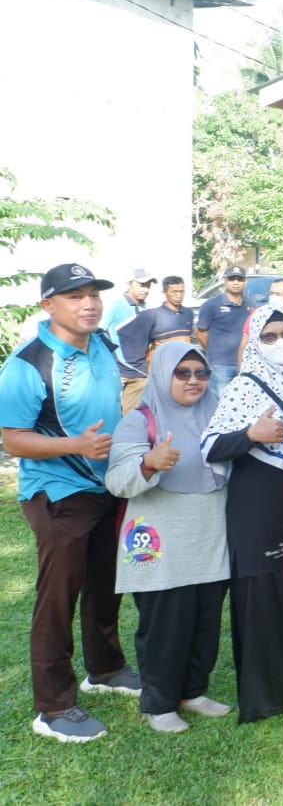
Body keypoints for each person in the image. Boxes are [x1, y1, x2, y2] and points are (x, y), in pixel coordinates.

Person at [0, 264, 141, 742]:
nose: (89, 304)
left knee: (107, 583)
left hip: (107, 486)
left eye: (94, 294)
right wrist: (74, 447)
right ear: (48, 305)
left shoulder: (101, 343)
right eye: (74, 296)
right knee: (58, 598)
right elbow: (14, 440)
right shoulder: (28, 363)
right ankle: (53, 708)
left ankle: (105, 668)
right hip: (58, 492)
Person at [202, 306, 283, 722]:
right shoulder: (243, 386)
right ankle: (268, 692)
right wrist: (250, 434)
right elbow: (211, 446)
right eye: (269, 336)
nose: (280, 343)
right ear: (255, 342)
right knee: (262, 589)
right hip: (258, 502)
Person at [105, 344, 231, 733]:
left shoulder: (219, 411)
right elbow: (116, 482)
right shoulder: (139, 420)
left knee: (205, 618)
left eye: (201, 372)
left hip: (210, 531)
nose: (194, 380)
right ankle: (159, 703)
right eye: (183, 373)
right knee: (166, 621)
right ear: (162, 374)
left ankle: (193, 691)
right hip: (161, 532)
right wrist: (148, 462)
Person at [116, 276, 195, 413]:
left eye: (181, 291)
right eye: (174, 291)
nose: (178, 295)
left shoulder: (188, 313)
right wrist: (137, 369)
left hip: (184, 373)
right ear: (164, 293)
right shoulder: (152, 315)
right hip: (161, 375)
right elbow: (133, 342)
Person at [196, 266, 250, 390]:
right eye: (232, 279)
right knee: (221, 404)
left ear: (245, 282)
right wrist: (213, 351)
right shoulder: (211, 305)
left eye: (240, 279)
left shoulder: (251, 304)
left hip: (245, 364)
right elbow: (200, 332)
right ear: (225, 281)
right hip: (220, 366)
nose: (236, 282)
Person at [102, 268, 156, 333]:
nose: (146, 290)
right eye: (141, 285)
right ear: (129, 284)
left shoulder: (149, 308)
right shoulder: (116, 305)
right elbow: (98, 332)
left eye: (148, 286)